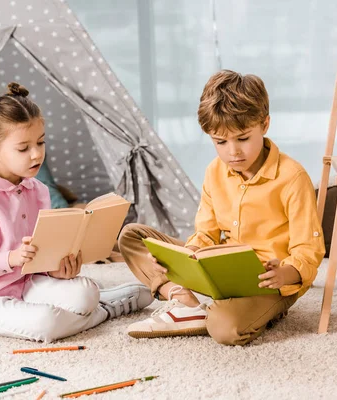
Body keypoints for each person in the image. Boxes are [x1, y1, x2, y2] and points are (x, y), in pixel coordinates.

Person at [118, 71, 325, 345]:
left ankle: (243, 311)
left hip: (268, 282)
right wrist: (184, 257)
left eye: (242, 138)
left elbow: (308, 251)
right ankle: (183, 301)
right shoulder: (215, 171)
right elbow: (205, 234)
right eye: (220, 142)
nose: (233, 152)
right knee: (132, 237)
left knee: (225, 330)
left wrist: (285, 273)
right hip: (219, 271)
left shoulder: (292, 177)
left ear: (264, 124)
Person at [0, 82, 152, 342]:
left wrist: (56, 271)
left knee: (85, 290)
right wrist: (10, 258)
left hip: (27, 283)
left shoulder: (38, 190)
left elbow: (39, 255)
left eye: (40, 143)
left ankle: (95, 302)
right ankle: (102, 312)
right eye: (23, 148)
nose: (36, 155)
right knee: (46, 323)